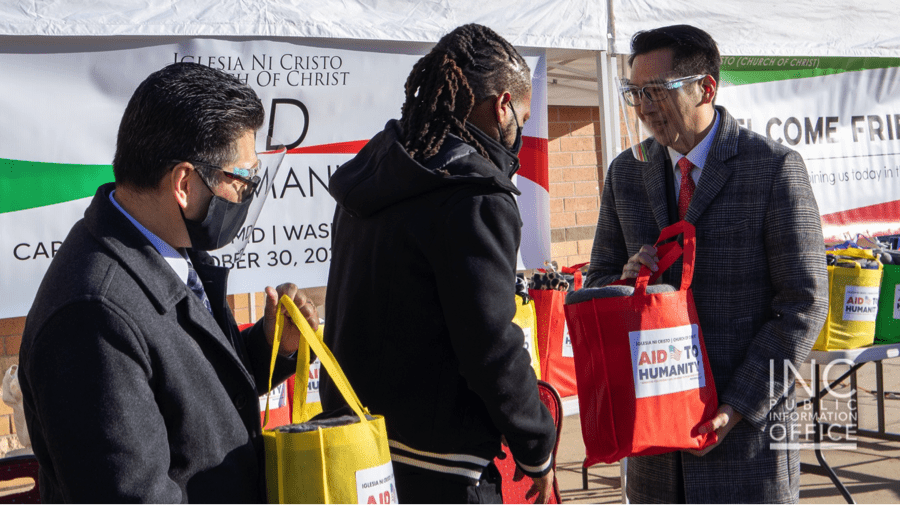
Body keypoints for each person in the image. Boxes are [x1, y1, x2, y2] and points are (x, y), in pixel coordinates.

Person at [18, 62, 319, 503]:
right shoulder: (93, 315)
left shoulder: (165, 247)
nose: (247, 196)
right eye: (243, 180)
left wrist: (274, 344)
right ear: (183, 182)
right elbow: (131, 494)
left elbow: (192, 397)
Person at [585, 25, 829, 504]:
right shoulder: (626, 173)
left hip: (745, 443)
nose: (644, 107)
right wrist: (624, 283)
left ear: (707, 88)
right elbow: (597, 283)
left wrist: (737, 406)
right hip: (654, 450)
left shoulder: (773, 168)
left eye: (656, 91)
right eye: (635, 92)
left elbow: (804, 304)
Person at [321, 23, 556, 505]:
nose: (519, 135)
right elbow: (491, 344)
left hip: (361, 451)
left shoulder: (374, 171)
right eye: (523, 118)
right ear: (503, 106)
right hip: (446, 466)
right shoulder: (475, 195)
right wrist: (537, 446)